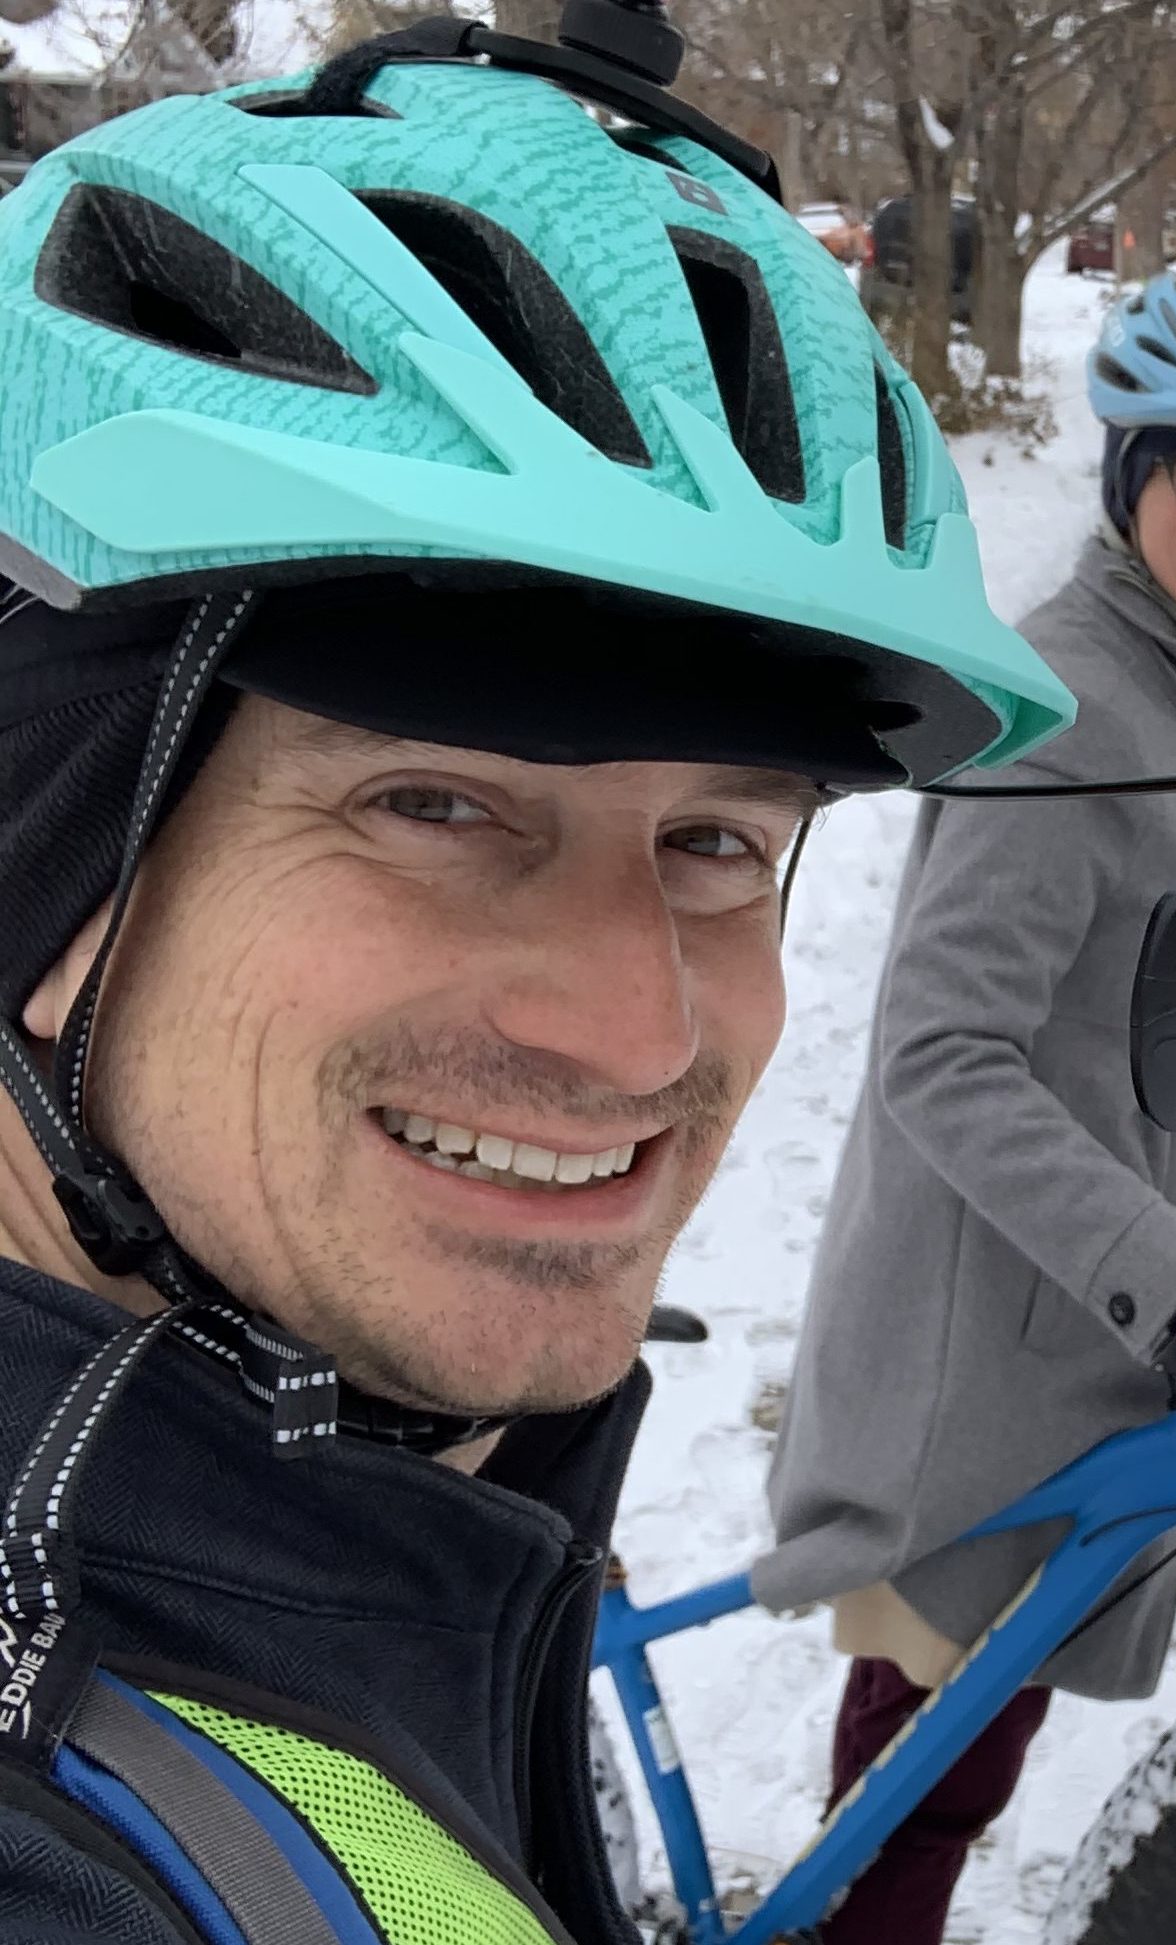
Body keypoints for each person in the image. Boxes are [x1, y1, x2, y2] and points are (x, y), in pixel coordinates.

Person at [0, 26, 1071, 1942]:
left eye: (718, 843)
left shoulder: (333, 1531)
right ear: (43, 852)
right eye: (434, 801)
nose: (647, 1029)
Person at [754, 233, 1176, 1943]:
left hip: (1063, 1332)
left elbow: (1095, 994)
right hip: (981, 1370)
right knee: (911, 1807)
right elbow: (943, 1051)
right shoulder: (1075, 704)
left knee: (941, 1782)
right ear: (1127, 475)